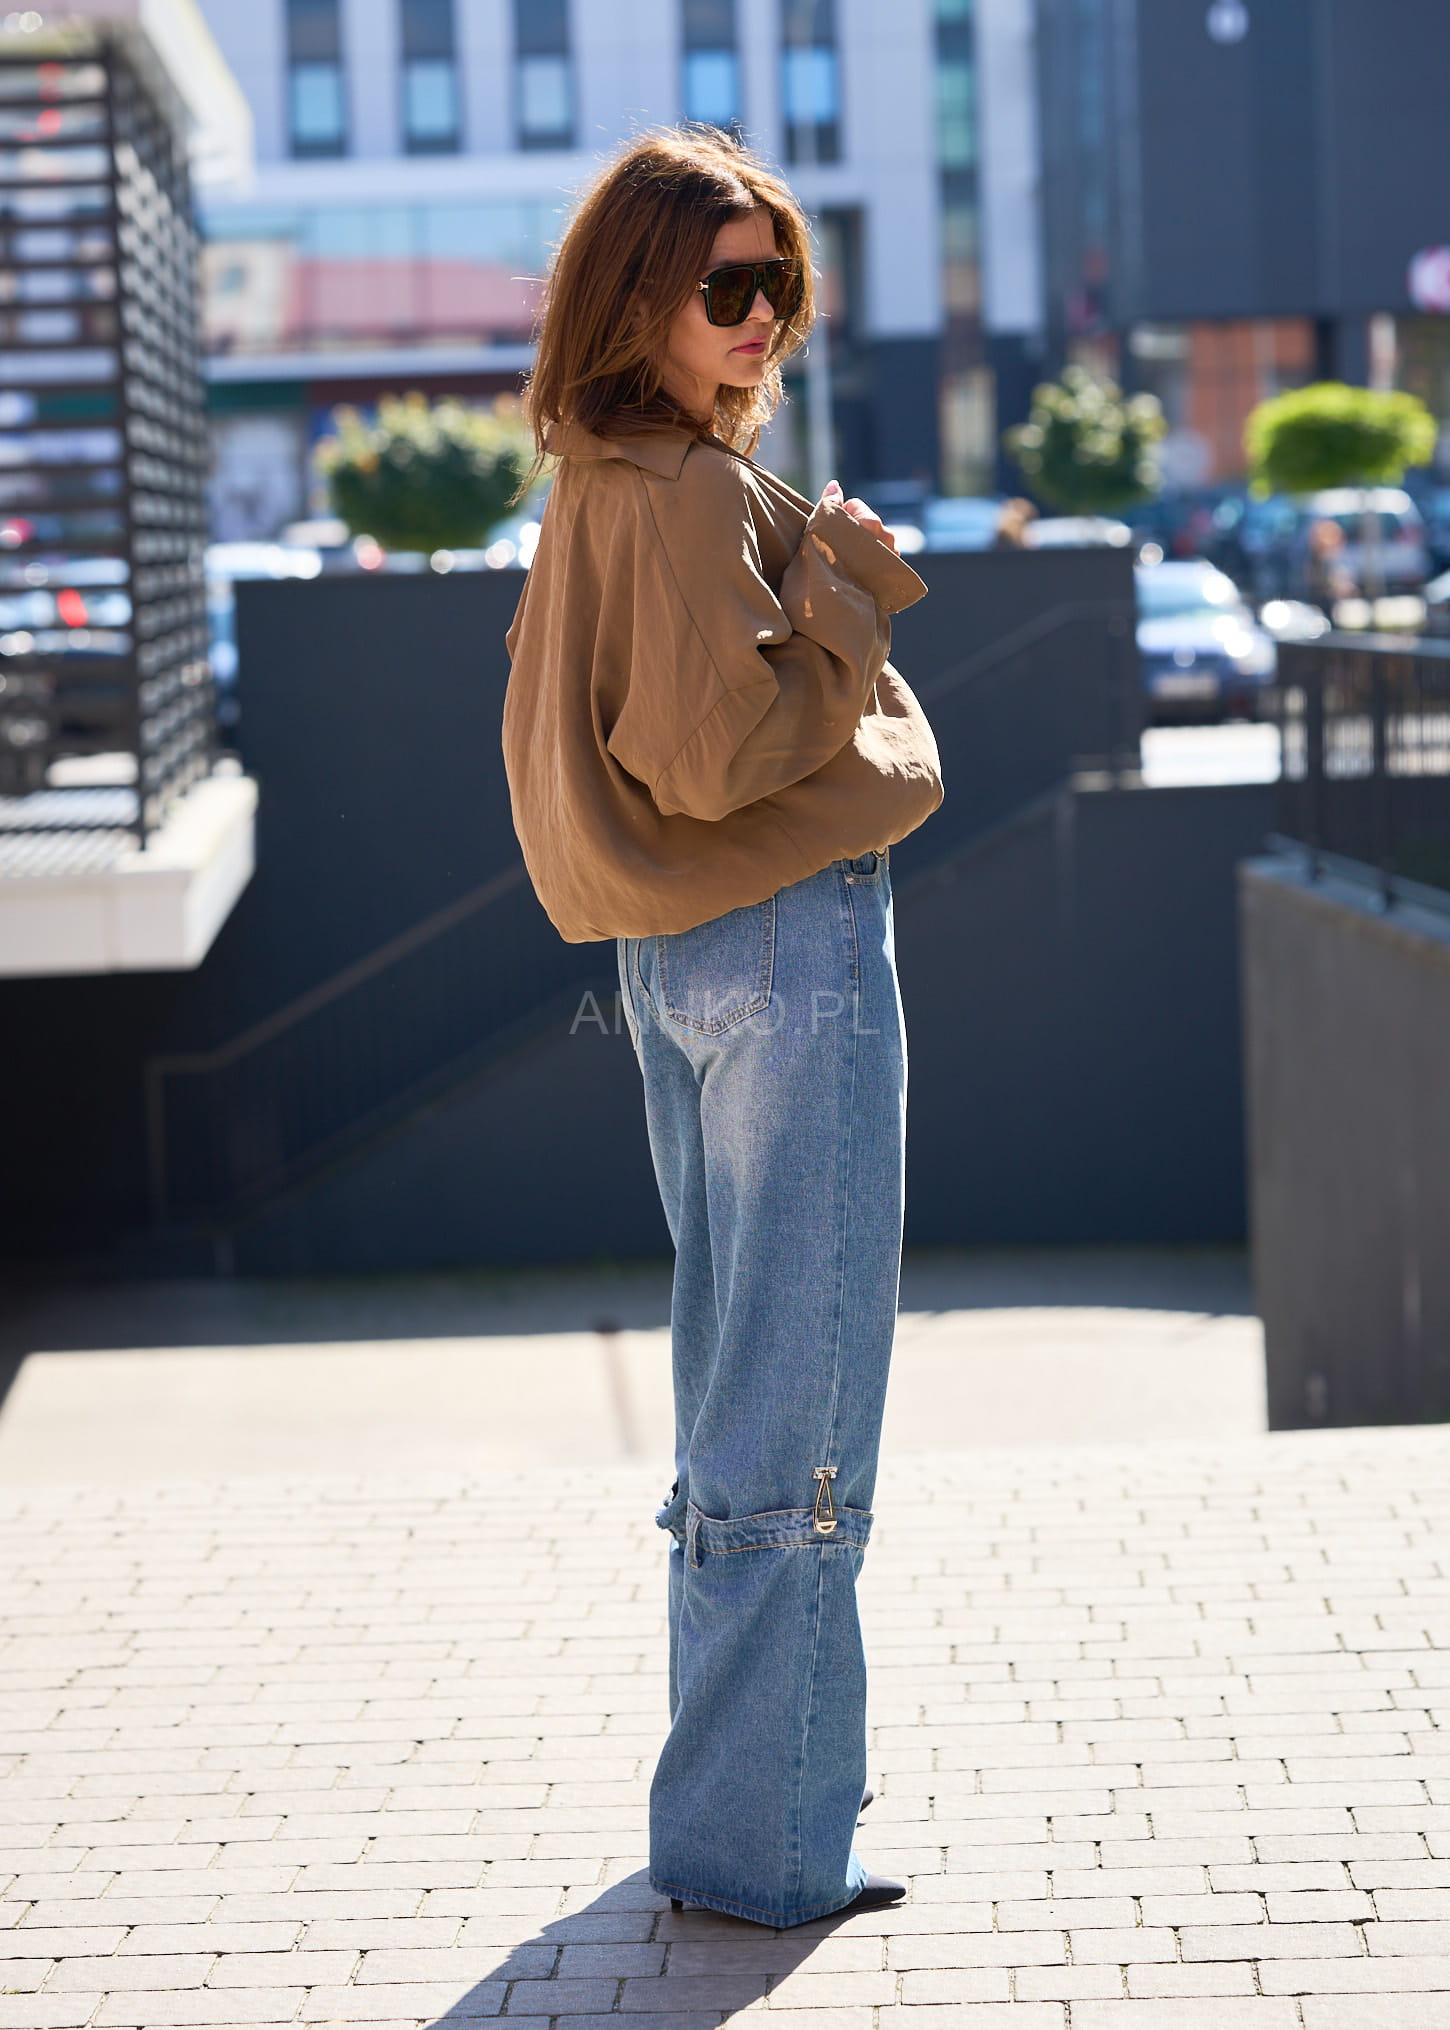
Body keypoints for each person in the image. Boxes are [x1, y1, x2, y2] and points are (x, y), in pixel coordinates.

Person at [501, 130, 943, 1929]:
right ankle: (765, 1844)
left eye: (779, 281)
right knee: (802, 1387)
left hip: (685, 954)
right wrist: (844, 585)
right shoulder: (683, 490)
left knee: (735, 1371)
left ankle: (736, 1812)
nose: (760, 314)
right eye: (723, 285)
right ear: (639, 296)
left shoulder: (599, 476)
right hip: (781, 933)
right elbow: (719, 757)